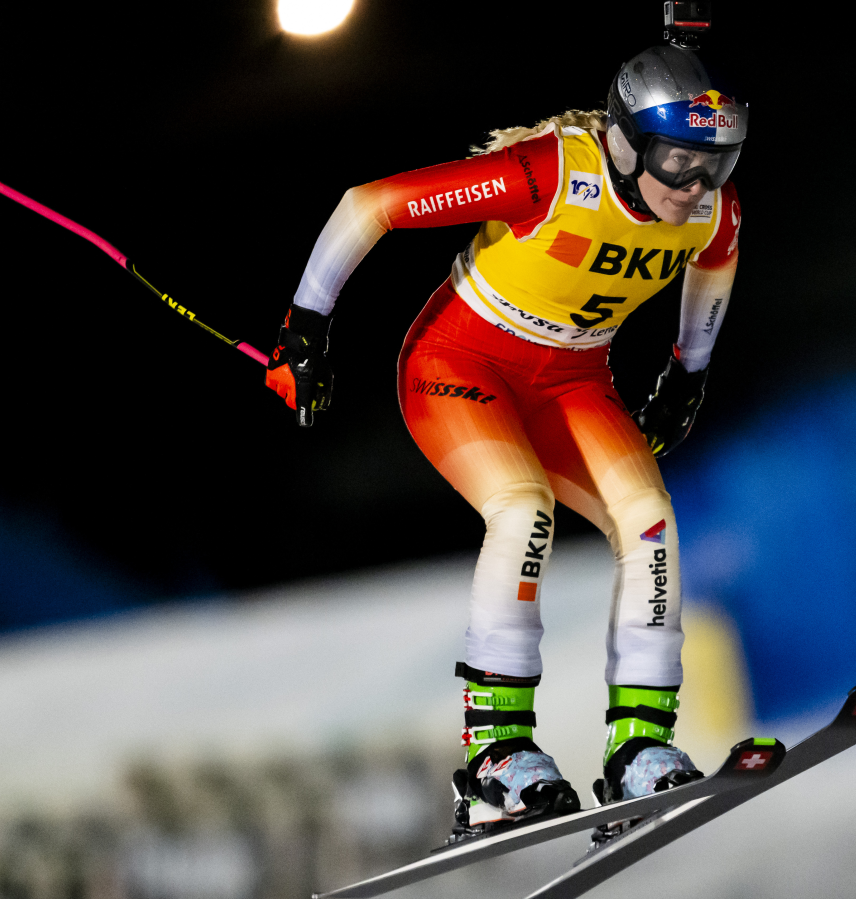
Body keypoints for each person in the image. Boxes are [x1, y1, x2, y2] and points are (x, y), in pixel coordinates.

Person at [267, 43, 745, 838]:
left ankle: (641, 746)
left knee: (652, 522)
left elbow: (715, 264)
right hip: (460, 368)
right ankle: (495, 757)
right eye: (677, 162)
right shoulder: (553, 174)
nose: (695, 186)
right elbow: (369, 204)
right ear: (626, 143)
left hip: (572, 383)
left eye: (715, 165)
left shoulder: (710, 210)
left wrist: (687, 374)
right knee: (523, 514)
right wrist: (304, 328)